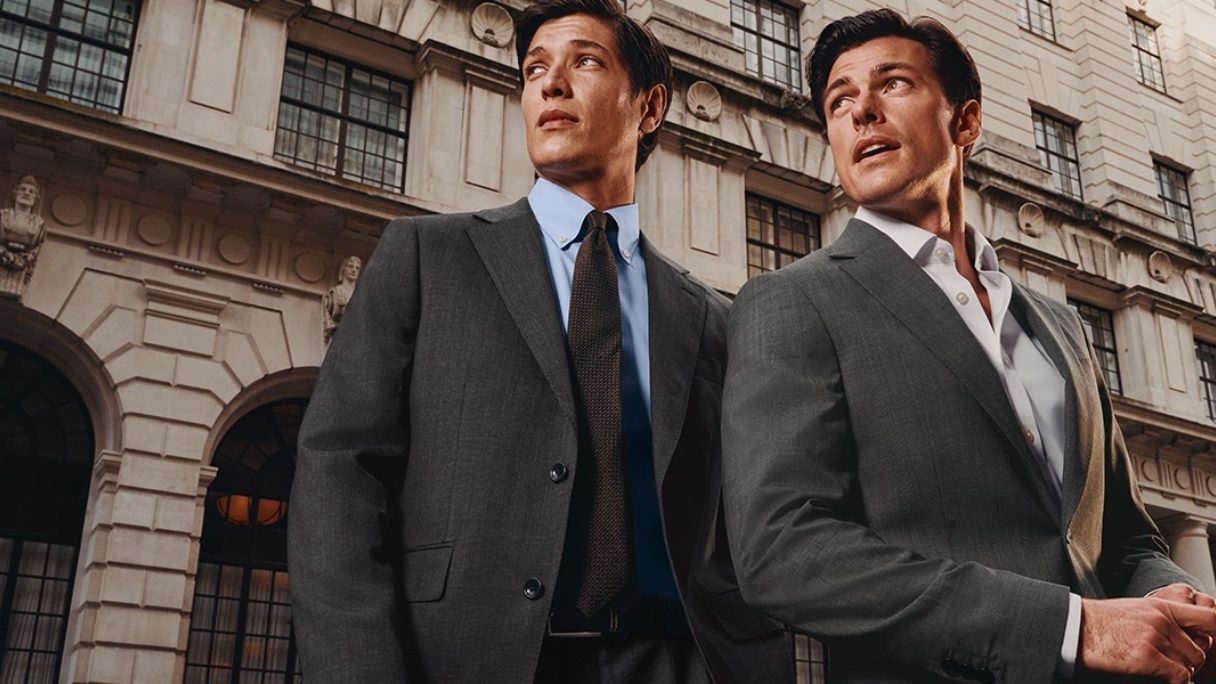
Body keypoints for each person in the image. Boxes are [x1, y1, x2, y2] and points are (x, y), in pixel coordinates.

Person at [288, 0, 792, 681]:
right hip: (468, 656)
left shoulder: (710, 317)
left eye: (584, 61)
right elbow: (338, 473)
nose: (550, 84)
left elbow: (747, 528)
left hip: (674, 660)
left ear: (649, 109)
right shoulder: (426, 257)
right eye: (533, 70)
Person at [722, 8, 1216, 683]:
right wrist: (1073, 627)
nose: (861, 110)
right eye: (839, 100)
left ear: (966, 121)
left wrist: (1167, 592)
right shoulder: (793, 302)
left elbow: (1126, 535)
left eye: (892, 84)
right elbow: (786, 551)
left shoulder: (1062, 325)